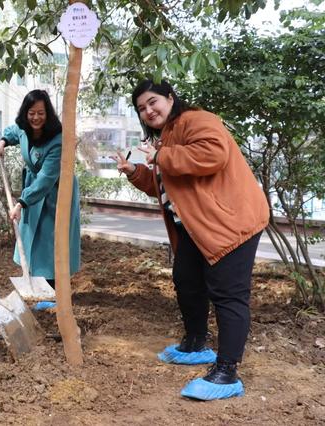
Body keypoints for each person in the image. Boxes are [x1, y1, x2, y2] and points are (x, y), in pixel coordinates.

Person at [114, 79, 269, 401]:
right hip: (196, 226)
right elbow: (167, 185)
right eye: (142, 108)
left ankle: (227, 370)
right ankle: (196, 342)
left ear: (170, 98)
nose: (148, 111)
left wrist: (161, 155)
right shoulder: (168, 138)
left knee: (228, 293)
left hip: (230, 222)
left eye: (153, 102)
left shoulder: (197, 120)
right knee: (186, 280)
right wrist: (134, 170)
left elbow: (212, 154)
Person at [0, 89, 81, 310]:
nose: (36, 118)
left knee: (51, 242)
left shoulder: (58, 139)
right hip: (33, 191)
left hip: (56, 193)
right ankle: (37, 284)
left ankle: (54, 292)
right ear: (26, 112)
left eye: (41, 113)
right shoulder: (24, 128)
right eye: (32, 113)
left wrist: (21, 202)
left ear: (47, 113)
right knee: (33, 238)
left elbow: (46, 178)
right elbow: (13, 132)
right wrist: (2, 142)